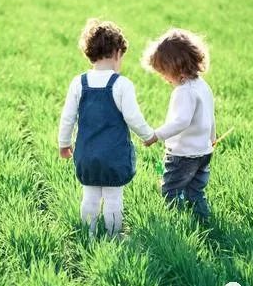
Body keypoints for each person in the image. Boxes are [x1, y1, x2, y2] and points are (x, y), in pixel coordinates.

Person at [58, 18, 154, 237]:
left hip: (87, 154)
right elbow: (134, 118)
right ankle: (113, 236)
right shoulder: (121, 84)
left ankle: (88, 235)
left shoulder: (78, 82)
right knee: (113, 199)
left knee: (89, 197)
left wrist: (64, 144)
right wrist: (148, 136)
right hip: (114, 155)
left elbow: (67, 117)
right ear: (117, 53)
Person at [142, 28, 216, 223]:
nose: (164, 79)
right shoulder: (202, 85)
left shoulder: (184, 91)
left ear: (178, 69)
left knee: (171, 190)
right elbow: (210, 116)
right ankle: (203, 220)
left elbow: (181, 122)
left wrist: (156, 135)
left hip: (183, 155)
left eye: (165, 74)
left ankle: (174, 223)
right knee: (195, 191)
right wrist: (212, 137)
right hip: (203, 152)